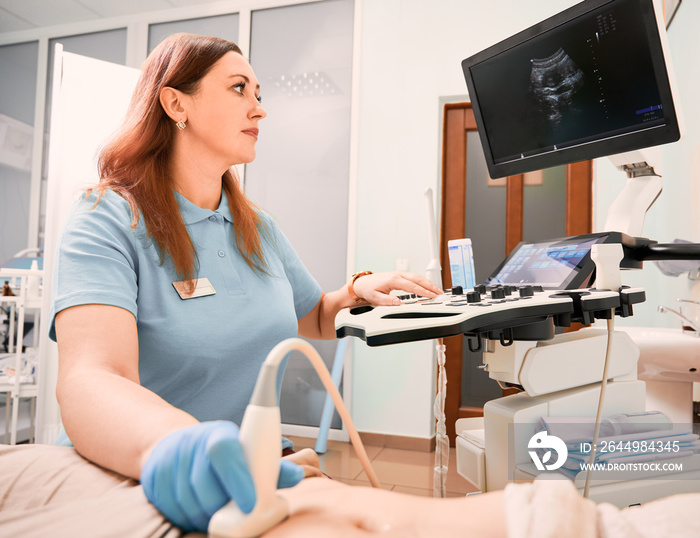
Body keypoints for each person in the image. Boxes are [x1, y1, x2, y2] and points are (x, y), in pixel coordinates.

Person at [49, 32, 442, 533]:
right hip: (140, 472)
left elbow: (315, 315)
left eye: (259, 95)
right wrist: (188, 449)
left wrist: (358, 289)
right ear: (175, 103)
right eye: (239, 89)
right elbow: (92, 378)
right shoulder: (106, 219)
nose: (258, 110)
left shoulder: (256, 227)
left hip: (249, 474)